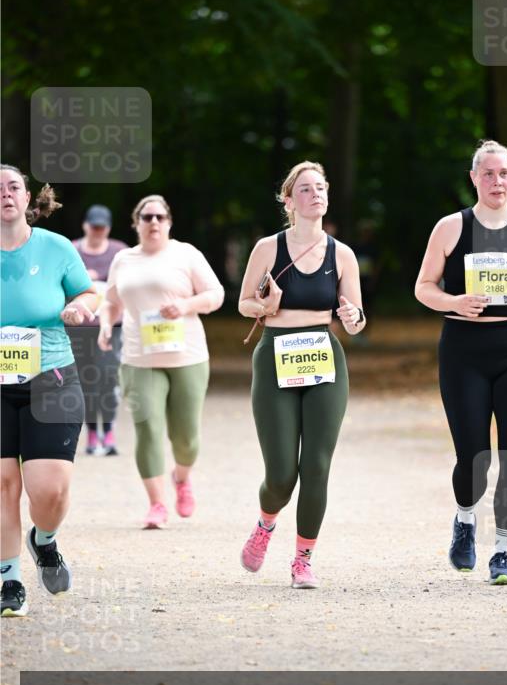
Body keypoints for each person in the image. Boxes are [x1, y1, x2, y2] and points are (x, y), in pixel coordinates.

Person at [414, 140, 507, 585]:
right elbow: (423, 287)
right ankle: (465, 520)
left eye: (504, 173)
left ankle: (503, 552)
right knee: (474, 457)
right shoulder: (451, 227)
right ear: (474, 178)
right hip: (464, 350)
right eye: (489, 174)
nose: (497, 181)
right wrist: (454, 301)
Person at [238, 161, 366, 589]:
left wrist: (352, 316)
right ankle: (265, 523)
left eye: (321, 188)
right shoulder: (267, 248)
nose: (316, 195)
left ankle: (303, 560)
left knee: (317, 465)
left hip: (322, 355)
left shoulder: (342, 253)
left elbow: (356, 319)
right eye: (306, 189)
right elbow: (243, 305)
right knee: (280, 475)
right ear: (289, 201)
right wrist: (266, 306)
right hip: (275, 352)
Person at [1, 165, 97, 617]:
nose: (5, 194)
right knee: (3, 485)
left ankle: (44, 539)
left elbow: (88, 293)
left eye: (13, 187)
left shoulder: (55, 248)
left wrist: (78, 307)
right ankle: (9, 579)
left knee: (50, 492)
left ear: (27, 198)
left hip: (51, 377)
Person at [98, 195, 224, 528]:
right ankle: (156, 505)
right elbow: (110, 302)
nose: (154, 222)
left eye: (160, 217)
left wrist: (185, 306)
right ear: (136, 222)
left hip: (187, 356)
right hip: (139, 358)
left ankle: (181, 478)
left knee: (186, 438)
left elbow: (216, 295)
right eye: (147, 217)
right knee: (147, 429)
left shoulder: (186, 254)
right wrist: (105, 326)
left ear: (169, 222)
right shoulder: (124, 260)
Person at [71, 204, 127, 456]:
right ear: (85, 226)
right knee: (87, 382)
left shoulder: (119, 252)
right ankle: (93, 431)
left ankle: (110, 429)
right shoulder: (71, 251)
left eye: (101, 227)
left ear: (108, 228)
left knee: (109, 378)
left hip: (113, 326)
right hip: (81, 328)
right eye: (93, 226)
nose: (97, 231)